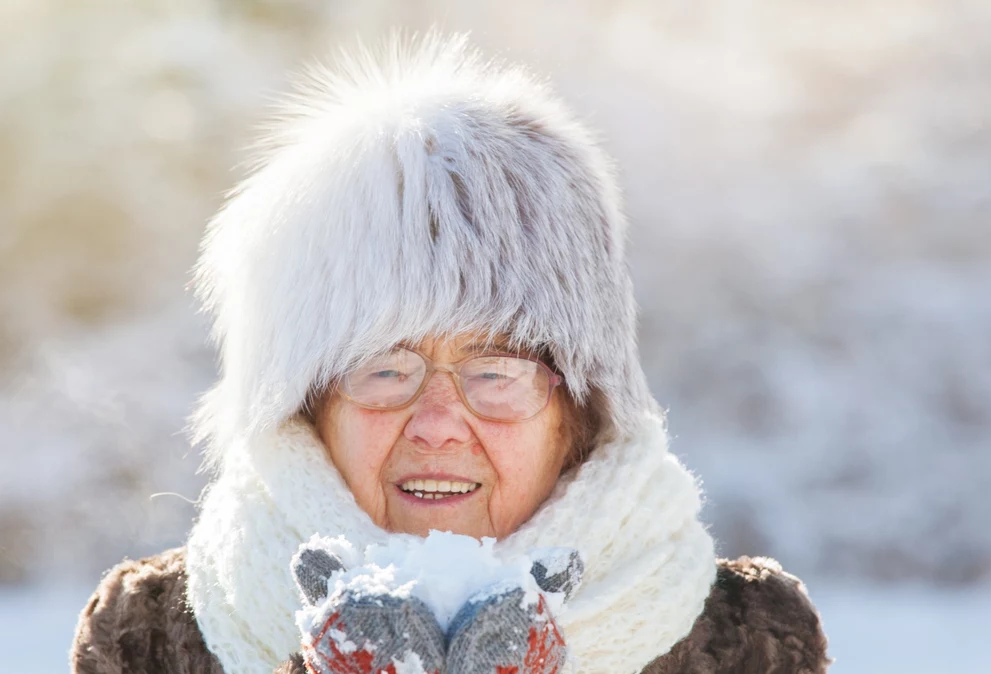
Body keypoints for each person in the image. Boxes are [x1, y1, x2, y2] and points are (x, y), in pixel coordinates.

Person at [71, 34, 830, 674]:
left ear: (577, 416)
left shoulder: (746, 641)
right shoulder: (153, 637)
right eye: (384, 370)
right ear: (308, 409)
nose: (437, 423)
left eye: (495, 373)